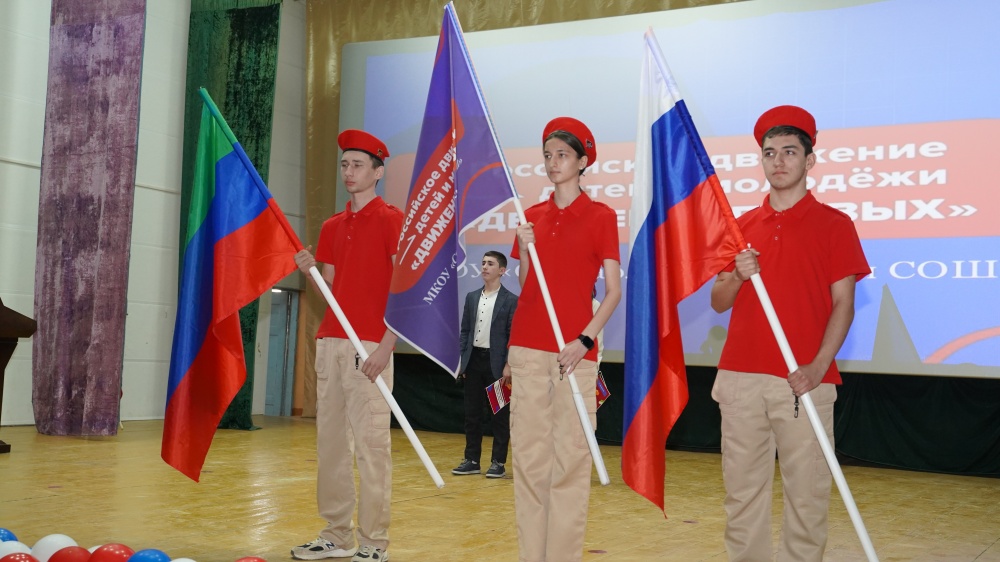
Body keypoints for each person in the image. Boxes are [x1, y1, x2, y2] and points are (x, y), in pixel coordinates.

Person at [710, 105, 870, 562]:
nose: (778, 161)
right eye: (769, 153)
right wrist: (738, 274)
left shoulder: (835, 224)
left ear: (809, 160)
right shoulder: (741, 227)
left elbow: (844, 304)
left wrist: (818, 367)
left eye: (789, 152)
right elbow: (719, 300)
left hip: (803, 380)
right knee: (742, 497)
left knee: (807, 497)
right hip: (740, 378)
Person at [507, 117, 622, 562]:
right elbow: (527, 285)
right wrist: (524, 248)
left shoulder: (601, 216)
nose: (553, 163)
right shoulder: (531, 217)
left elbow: (613, 292)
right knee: (529, 462)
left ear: (582, 161)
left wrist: (584, 341)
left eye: (563, 155)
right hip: (527, 347)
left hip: (574, 353)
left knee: (571, 463)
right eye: (548, 155)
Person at [291, 129, 402, 562]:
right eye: (344, 164)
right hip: (331, 342)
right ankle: (336, 536)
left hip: (370, 345)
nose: (349, 172)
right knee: (331, 447)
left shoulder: (392, 220)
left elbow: (404, 291)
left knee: (372, 448)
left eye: (358, 164)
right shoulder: (332, 226)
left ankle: (374, 542)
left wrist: (386, 347)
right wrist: (311, 271)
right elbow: (333, 288)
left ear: (378, 171)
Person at [451, 251, 518, 478]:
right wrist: (463, 361)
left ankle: (498, 462)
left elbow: (512, 335)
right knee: (472, 414)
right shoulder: (472, 297)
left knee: (499, 415)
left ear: (502, 270)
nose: (485, 267)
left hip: (496, 364)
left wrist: (508, 364)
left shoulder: (511, 300)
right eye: (483, 263)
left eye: (490, 264)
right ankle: (471, 460)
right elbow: (465, 331)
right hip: (474, 361)